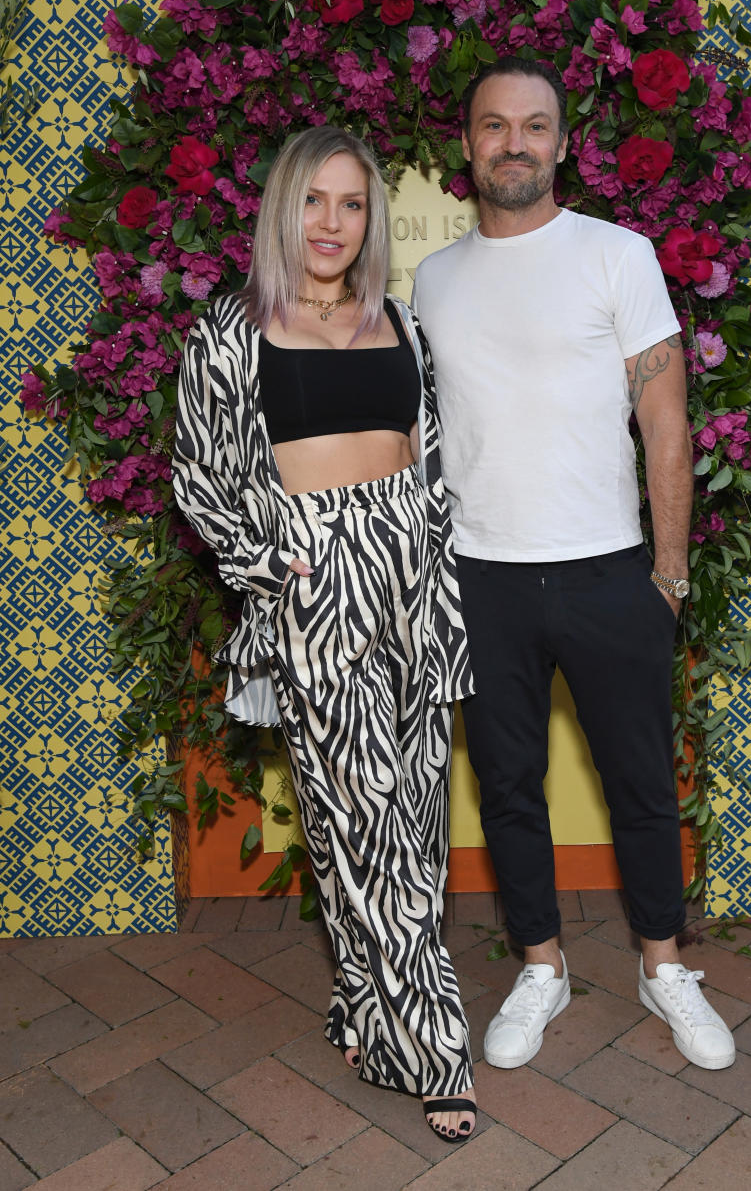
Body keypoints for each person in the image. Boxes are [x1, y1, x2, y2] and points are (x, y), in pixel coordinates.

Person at [412, 57, 735, 1073]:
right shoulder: (433, 280)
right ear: (467, 145)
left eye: (535, 125)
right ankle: (542, 967)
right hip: (481, 579)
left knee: (641, 784)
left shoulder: (618, 255)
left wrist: (669, 573)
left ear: (563, 142)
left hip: (609, 573)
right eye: (495, 125)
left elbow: (666, 421)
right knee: (508, 786)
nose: (516, 142)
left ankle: (661, 965)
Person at [172, 126, 478, 1142]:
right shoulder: (231, 331)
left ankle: (362, 1001)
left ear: (371, 219)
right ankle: (435, 1051)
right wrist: (269, 564)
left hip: (413, 583)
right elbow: (201, 476)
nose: (332, 224)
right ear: (281, 210)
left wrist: (429, 539)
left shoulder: (401, 320)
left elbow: (430, 449)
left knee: (414, 819)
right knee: (362, 815)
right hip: (317, 586)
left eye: (351, 204)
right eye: (314, 202)